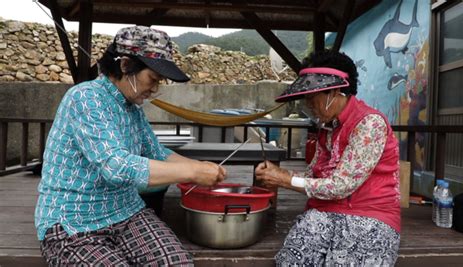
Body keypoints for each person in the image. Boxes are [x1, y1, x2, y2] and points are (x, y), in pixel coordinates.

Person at [34, 26, 226, 266]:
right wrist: (192, 172)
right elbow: (116, 167)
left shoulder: (132, 108)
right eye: (152, 79)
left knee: (177, 263)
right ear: (125, 65)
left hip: (127, 212)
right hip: (73, 221)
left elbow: (157, 153)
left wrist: (200, 167)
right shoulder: (84, 97)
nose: (155, 89)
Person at [255, 50, 400, 266]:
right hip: (325, 209)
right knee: (291, 260)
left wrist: (285, 180)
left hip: (371, 215)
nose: (309, 105)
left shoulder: (369, 124)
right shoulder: (328, 128)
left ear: (335, 91)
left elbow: (341, 185)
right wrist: (281, 174)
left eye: (313, 98)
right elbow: (314, 175)